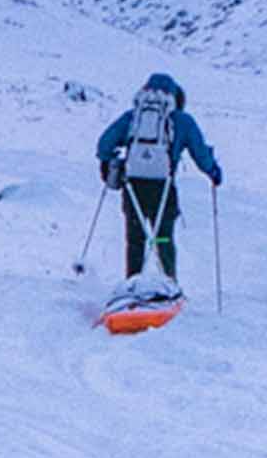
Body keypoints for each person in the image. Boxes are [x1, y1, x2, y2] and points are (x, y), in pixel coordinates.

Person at [95, 71, 223, 295]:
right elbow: (200, 153)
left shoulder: (133, 117)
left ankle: (131, 286)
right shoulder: (181, 121)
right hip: (162, 187)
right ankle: (169, 284)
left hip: (133, 185)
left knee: (135, 239)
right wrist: (213, 171)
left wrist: (110, 161)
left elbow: (104, 143)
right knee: (163, 236)